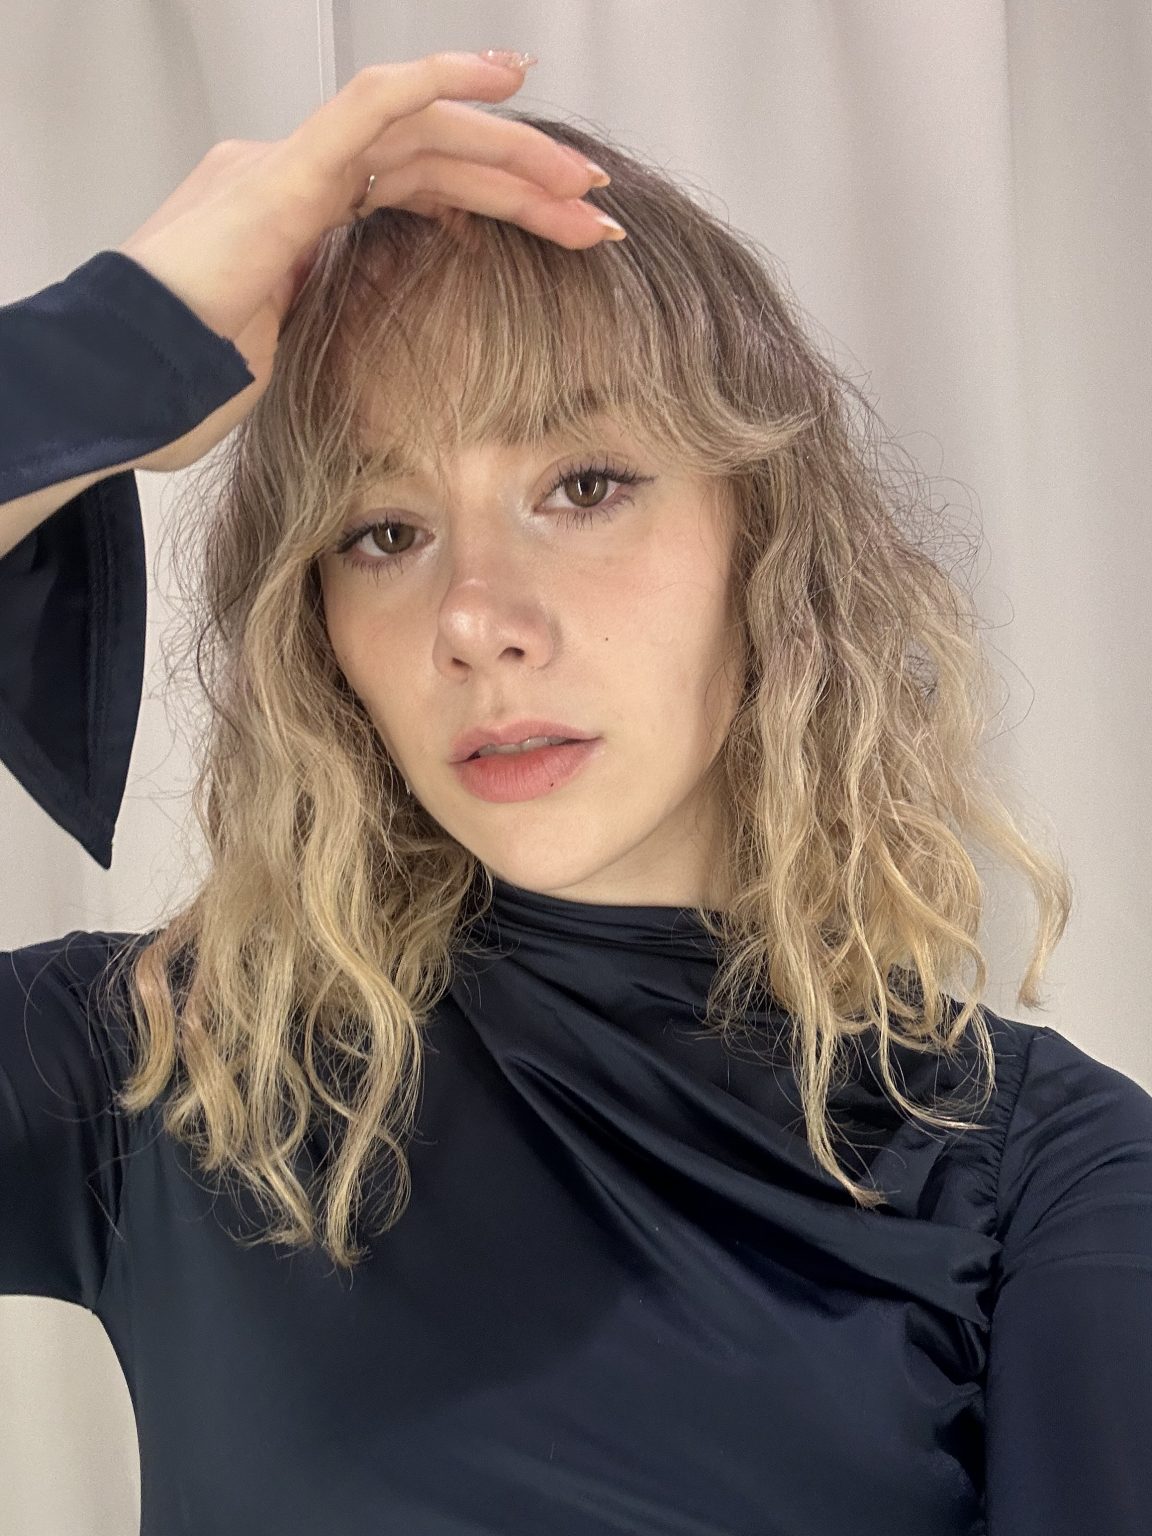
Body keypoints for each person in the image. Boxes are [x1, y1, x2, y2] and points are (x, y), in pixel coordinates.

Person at [0, 48, 1149, 1536]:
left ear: (766, 540)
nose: (476, 617)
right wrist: (97, 352)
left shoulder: (1039, 1175)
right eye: (385, 531)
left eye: (585, 486)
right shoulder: (177, 1065)